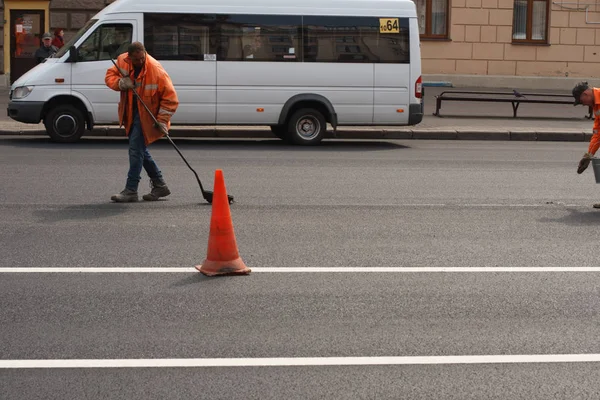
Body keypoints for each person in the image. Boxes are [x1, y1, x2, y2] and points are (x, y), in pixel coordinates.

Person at [105, 42, 179, 203]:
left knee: (135, 150)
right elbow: (110, 77)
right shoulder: (122, 60)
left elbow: (171, 99)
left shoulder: (156, 71)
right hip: (131, 113)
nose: (140, 61)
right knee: (139, 150)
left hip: (148, 117)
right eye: (136, 59)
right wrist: (120, 84)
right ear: (129, 58)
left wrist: (162, 120)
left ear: (145, 53)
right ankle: (160, 185)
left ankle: (131, 189)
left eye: (142, 58)